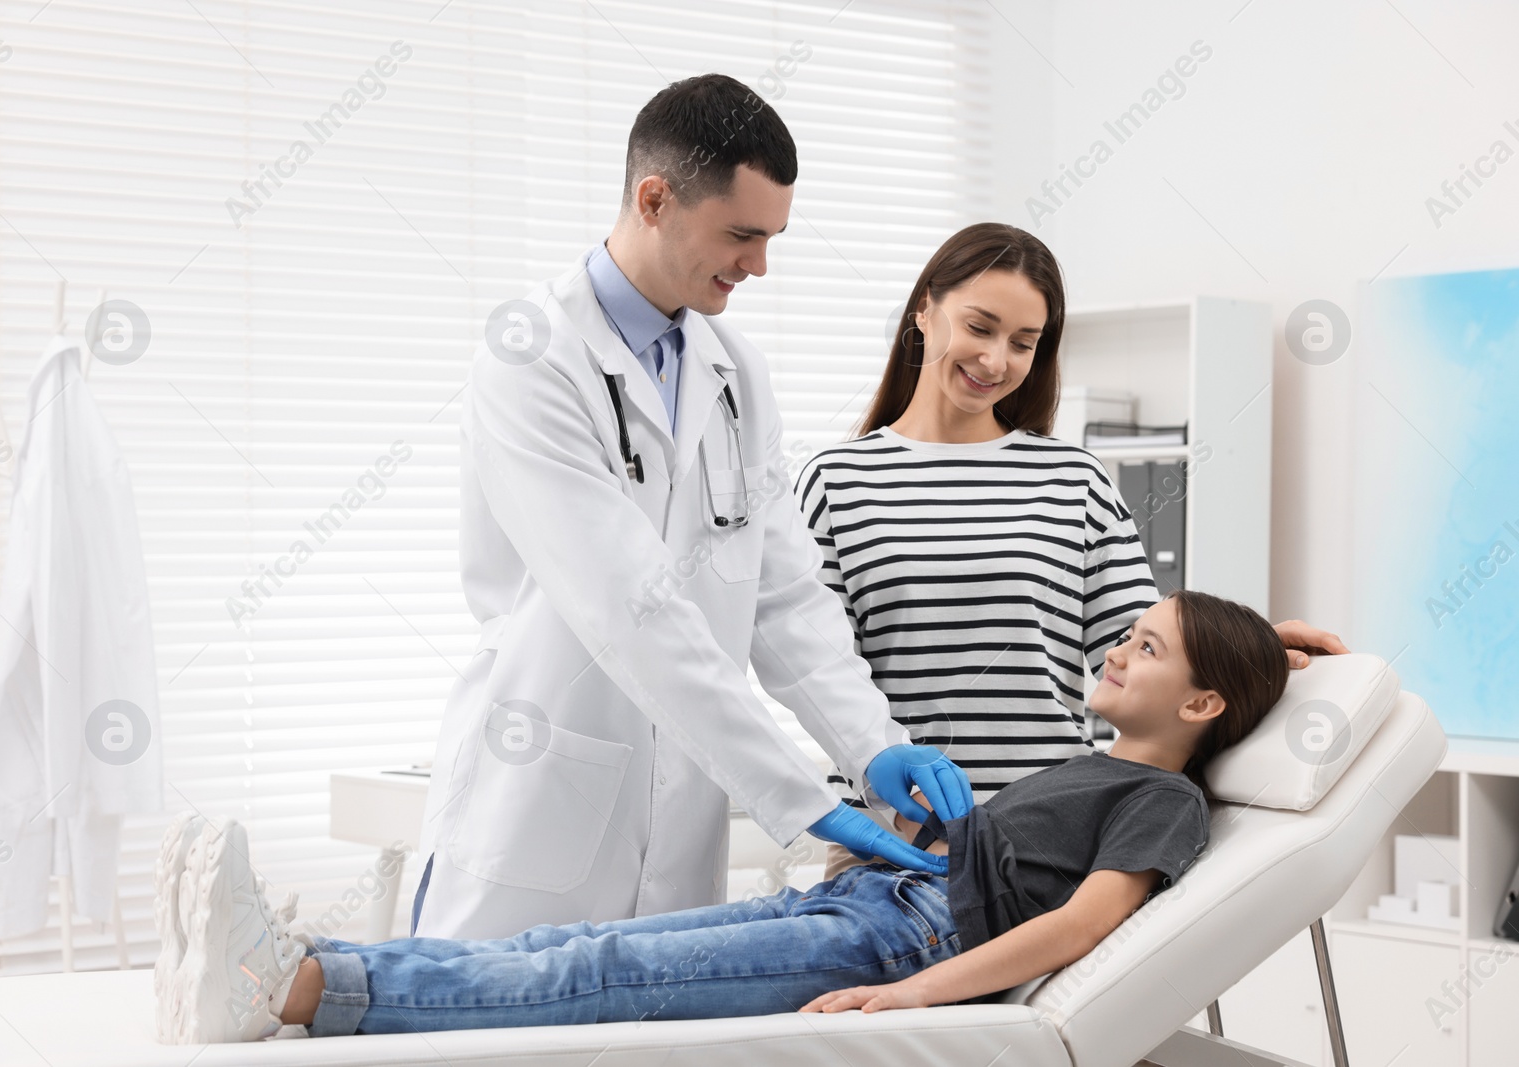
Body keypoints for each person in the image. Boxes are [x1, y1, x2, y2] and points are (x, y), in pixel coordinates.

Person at [155, 588, 1287, 1043]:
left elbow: (1080, 928)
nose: (1117, 646)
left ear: (1199, 702)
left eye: (1144, 645)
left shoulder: (1164, 798)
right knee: (575, 949)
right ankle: (304, 961)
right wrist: (1278, 644)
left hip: (902, 937)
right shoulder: (1098, 763)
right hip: (867, 898)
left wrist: (907, 994)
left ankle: (296, 985)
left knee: (590, 975)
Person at [407, 72, 971, 943]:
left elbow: (784, 595)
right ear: (656, 198)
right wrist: (797, 794)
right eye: (743, 234)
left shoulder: (736, 373)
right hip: (542, 788)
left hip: (681, 817)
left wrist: (872, 743)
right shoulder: (533, 357)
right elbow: (627, 605)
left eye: (773, 237)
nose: (760, 265)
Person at [794, 222, 1349, 879]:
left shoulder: (1072, 481)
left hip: (1044, 845)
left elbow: (1138, 648)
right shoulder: (836, 480)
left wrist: (1245, 646)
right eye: (980, 326)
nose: (996, 360)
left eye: (1023, 343)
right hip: (887, 848)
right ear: (925, 310)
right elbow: (815, 669)